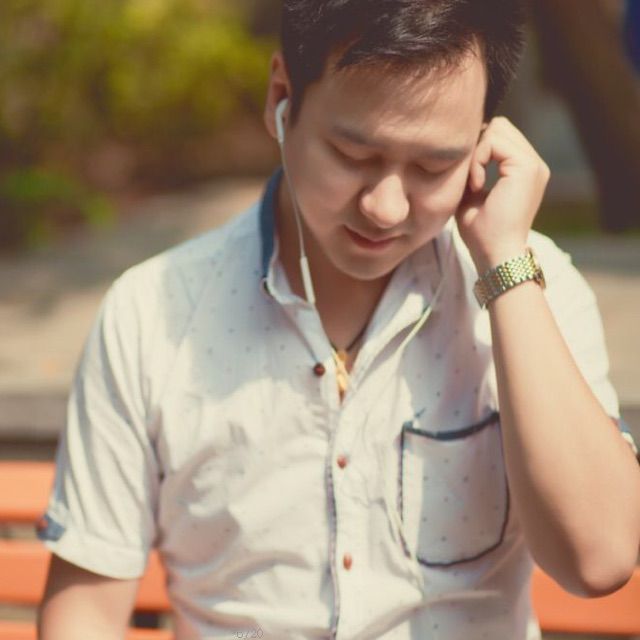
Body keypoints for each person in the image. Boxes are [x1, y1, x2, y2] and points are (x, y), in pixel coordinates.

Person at [37, 1, 640, 639]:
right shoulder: (151, 313)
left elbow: (600, 559)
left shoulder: (531, 284)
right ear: (281, 99)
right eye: (353, 154)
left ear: (483, 144)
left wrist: (506, 269)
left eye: (433, 167)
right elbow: (86, 613)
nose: (385, 207)